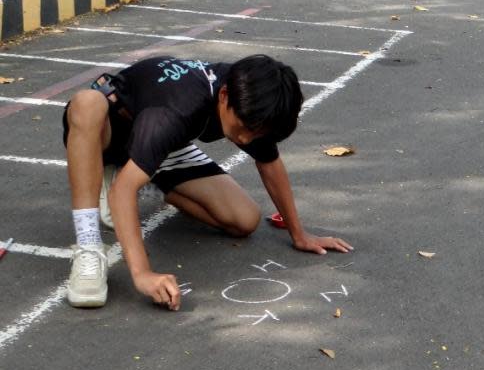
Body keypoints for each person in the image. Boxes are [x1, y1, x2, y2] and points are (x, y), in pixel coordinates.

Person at [63, 54, 352, 310]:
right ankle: (89, 243)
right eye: (245, 129)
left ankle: (138, 173)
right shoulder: (177, 110)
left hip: (164, 143)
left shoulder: (250, 94)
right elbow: (123, 192)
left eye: (257, 134)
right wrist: (142, 275)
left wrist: (298, 234)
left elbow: (269, 163)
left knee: (243, 220)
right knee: (87, 104)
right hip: (110, 134)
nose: (247, 140)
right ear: (224, 96)